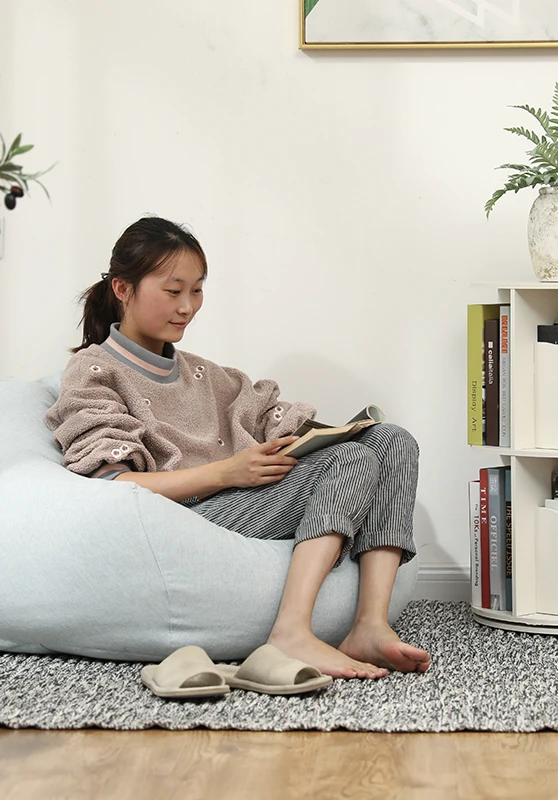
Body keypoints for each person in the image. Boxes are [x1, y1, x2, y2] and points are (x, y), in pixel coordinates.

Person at [45, 216, 430, 679]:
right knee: (351, 462)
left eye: (197, 290)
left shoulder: (207, 374)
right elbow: (114, 482)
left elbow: (271, 418)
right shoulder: (94, 371)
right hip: (193, 516)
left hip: (245, 494)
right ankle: (291, 631)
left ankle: (370, 624)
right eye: (173, 291)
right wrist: (226, 473)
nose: (187, 306)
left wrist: (328, 434)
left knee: (392, 441)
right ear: (123, 289)